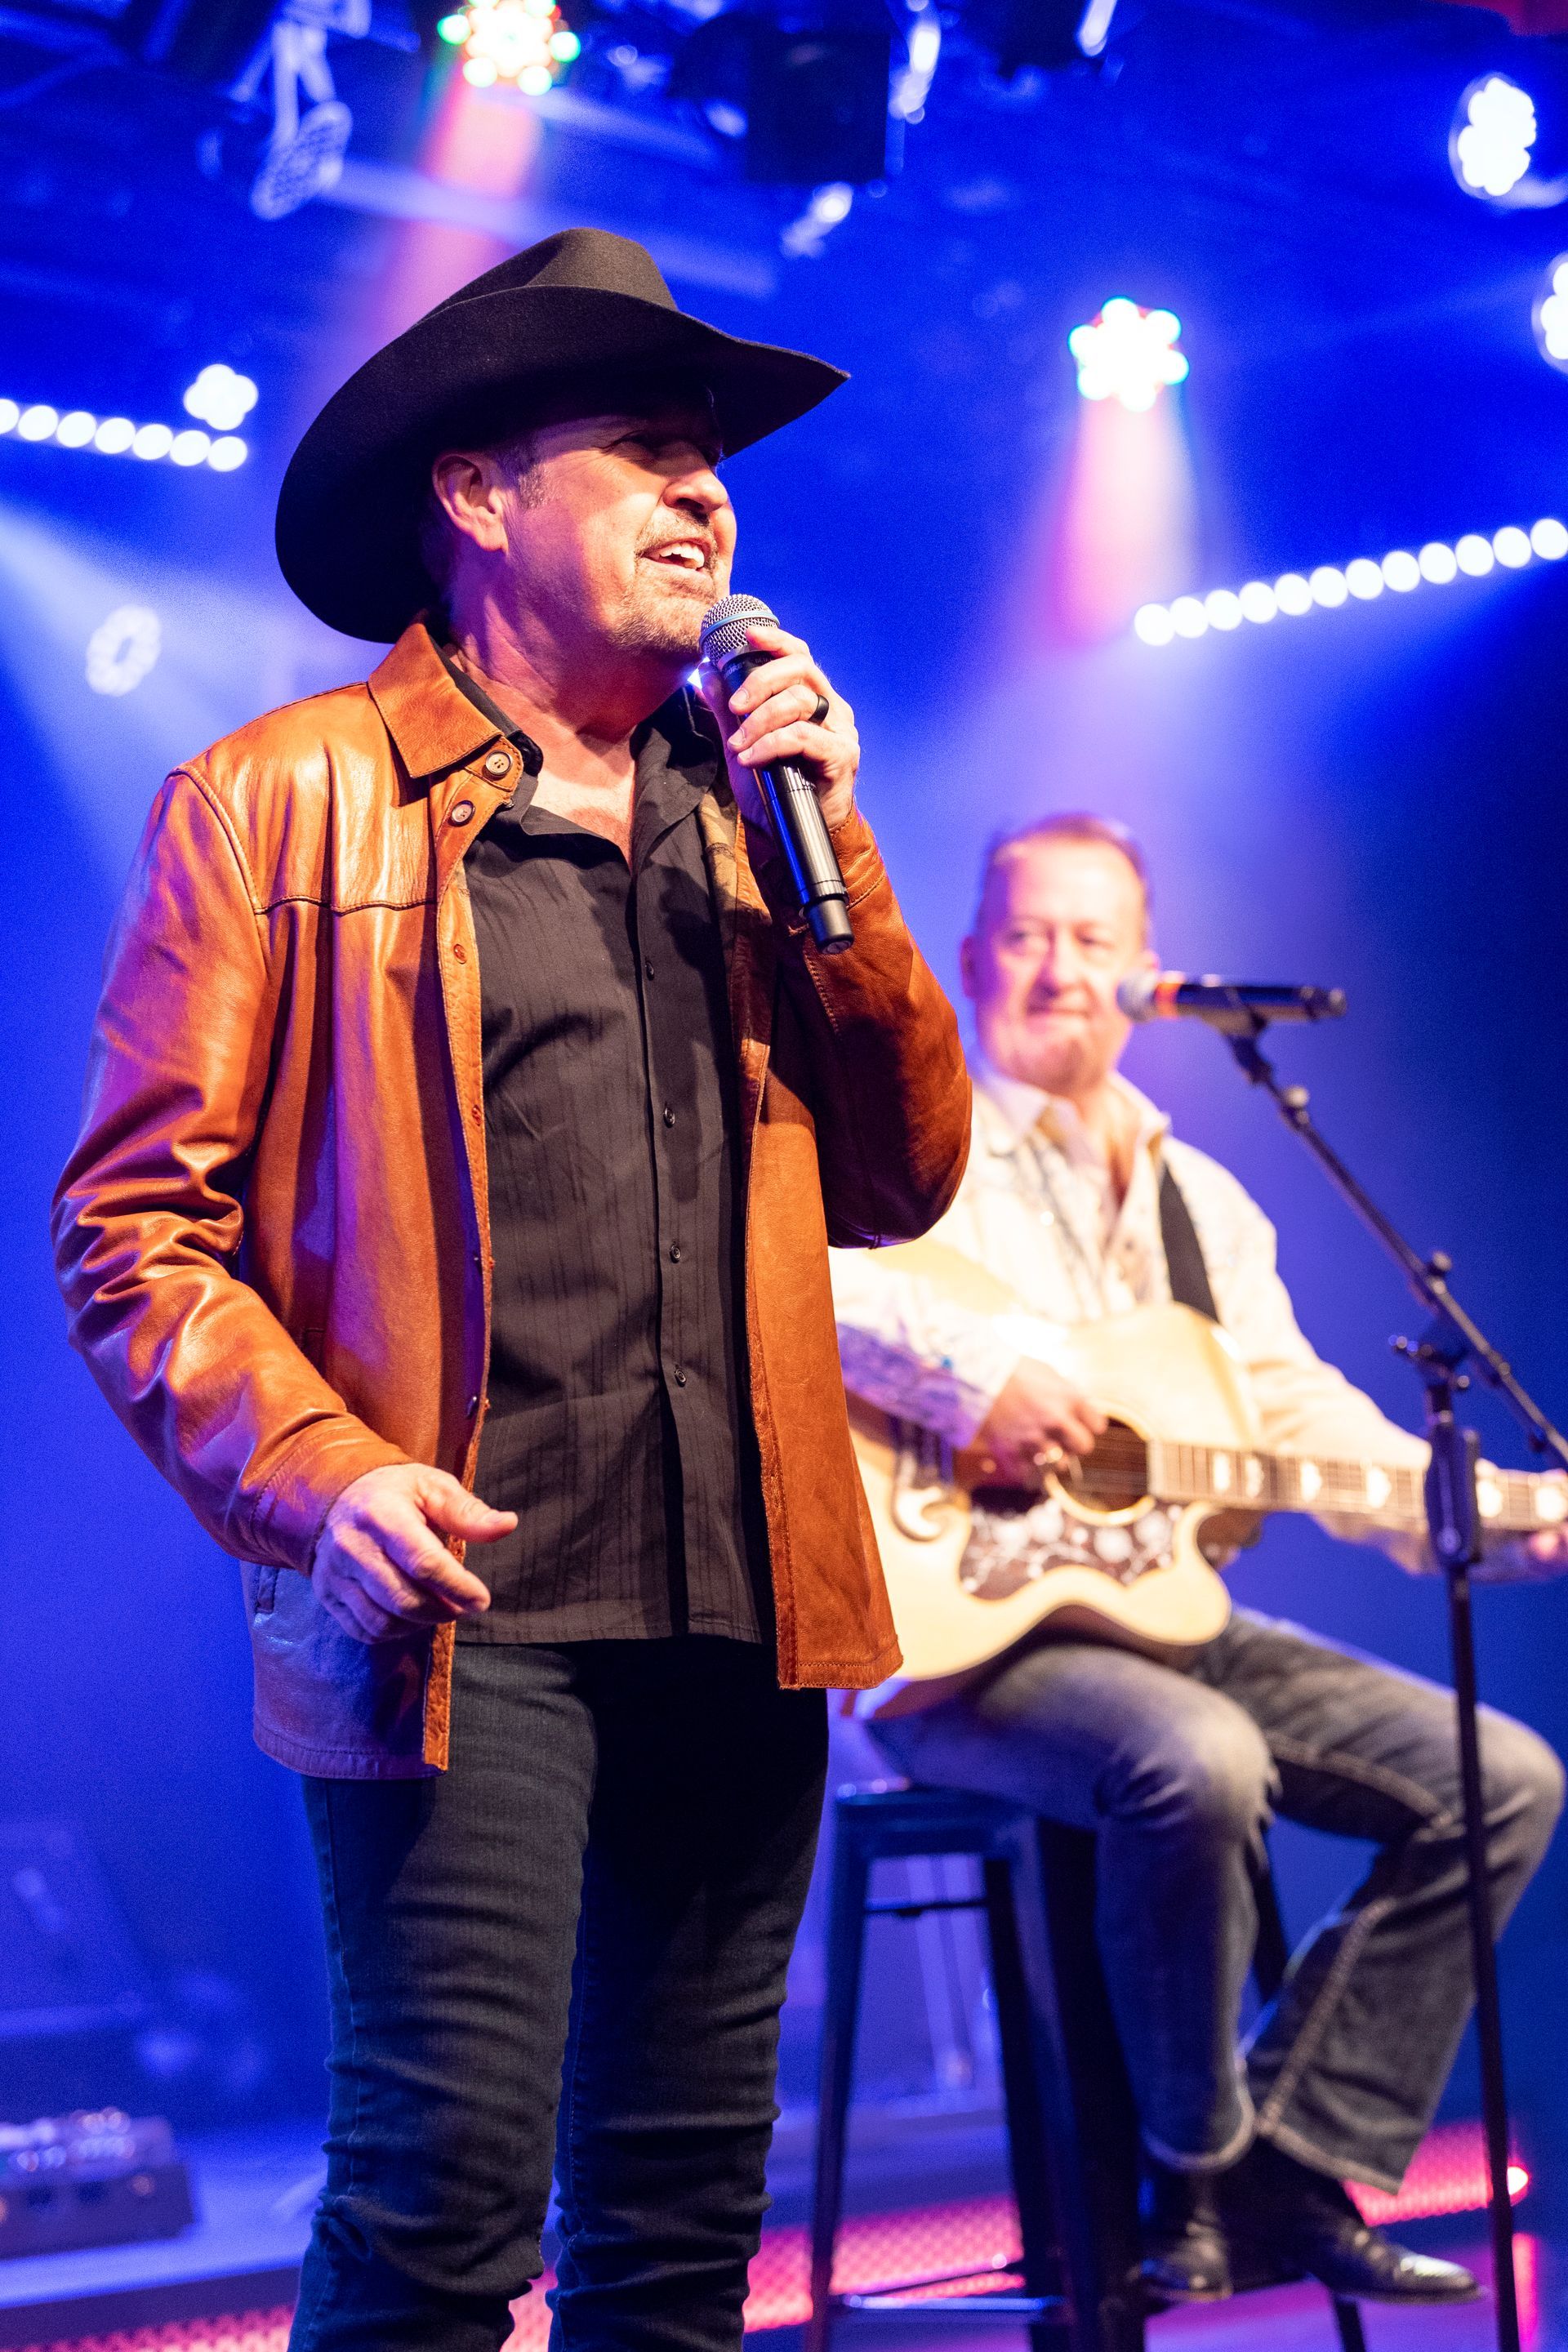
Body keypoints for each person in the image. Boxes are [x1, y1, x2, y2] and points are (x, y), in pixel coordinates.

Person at [52, 229, 971, 2352]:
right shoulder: (284, 800)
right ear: (474, 494)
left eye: (715, 463)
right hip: (459, 1619)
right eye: (648, 448)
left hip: (742, 1614)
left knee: (672, 2236)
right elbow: (131, 1231)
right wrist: (318, 1479)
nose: (708, 496)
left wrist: (831, 846)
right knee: (440, 2212)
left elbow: (906, 1174)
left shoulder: (758, 820)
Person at [831, 810, 1566, 2307]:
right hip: (960, 1640)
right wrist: (973, 1380)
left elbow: (1298, 1416)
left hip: (1161, 1614)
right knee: (1203, 1759)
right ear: (971, 959)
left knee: (1505, 1775)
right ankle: (1197, 2166)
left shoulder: (1200, 1200)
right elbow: (795, 1275)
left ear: (1144, 969)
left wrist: (1477, 1506)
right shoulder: (919, 1143)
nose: (1057, 968)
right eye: (1028, 934)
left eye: (1093, 940)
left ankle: (1291, 2160)